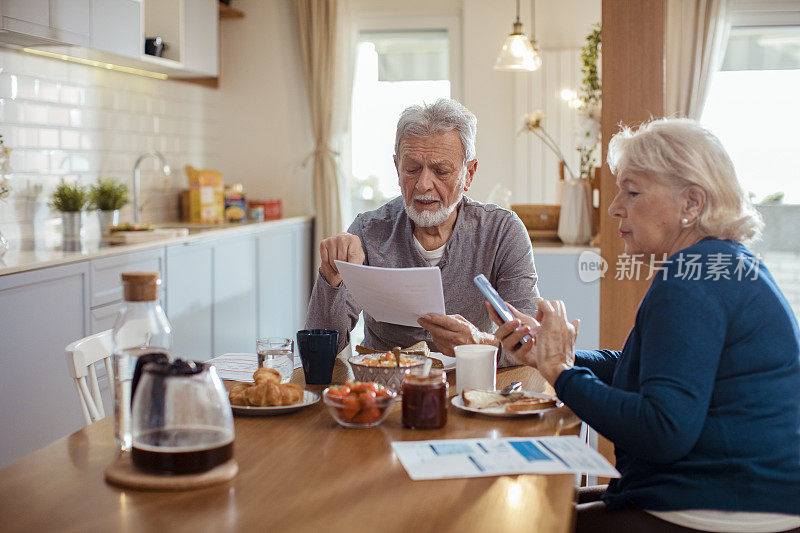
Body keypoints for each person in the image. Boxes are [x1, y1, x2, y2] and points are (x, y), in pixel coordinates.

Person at [490, 118, 800, 532]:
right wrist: (552, 353)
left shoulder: (692, 279)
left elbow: (662, 430)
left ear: (691, 203)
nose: (616, 206)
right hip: (734, 496)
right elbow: (645, 368)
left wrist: (560, 372)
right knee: (534, 505)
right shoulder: (721, 264)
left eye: (633, 192)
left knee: (513, 520)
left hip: (725, 509)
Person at [306, 98, 539, 361]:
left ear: (469, 174)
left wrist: (478, 344)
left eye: (441, 171)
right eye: (412, 169)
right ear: (397, 167)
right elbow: (319, 351)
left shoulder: (502, 232)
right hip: (388, 390)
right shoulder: (368, 231)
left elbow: (529, 344)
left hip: (469, 385)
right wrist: (330, 279)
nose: (423, 184)